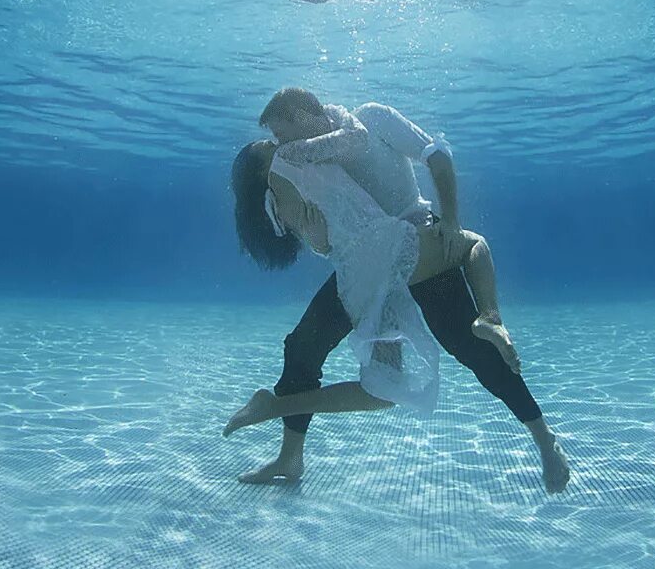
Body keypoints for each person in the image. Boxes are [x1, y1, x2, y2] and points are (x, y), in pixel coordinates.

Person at [225, 88, 570, 494]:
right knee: (302, 346)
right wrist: (316, 236)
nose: (284, 147)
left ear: (306, 115)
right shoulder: (303, 162)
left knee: (470, 348)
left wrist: (452, 222)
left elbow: (437, 155)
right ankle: (290, 456)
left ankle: (544, 439)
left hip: (418, 240)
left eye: (283, 136)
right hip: (365, 267)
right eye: (278, 143)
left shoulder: (370, 118)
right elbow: (328, 240)